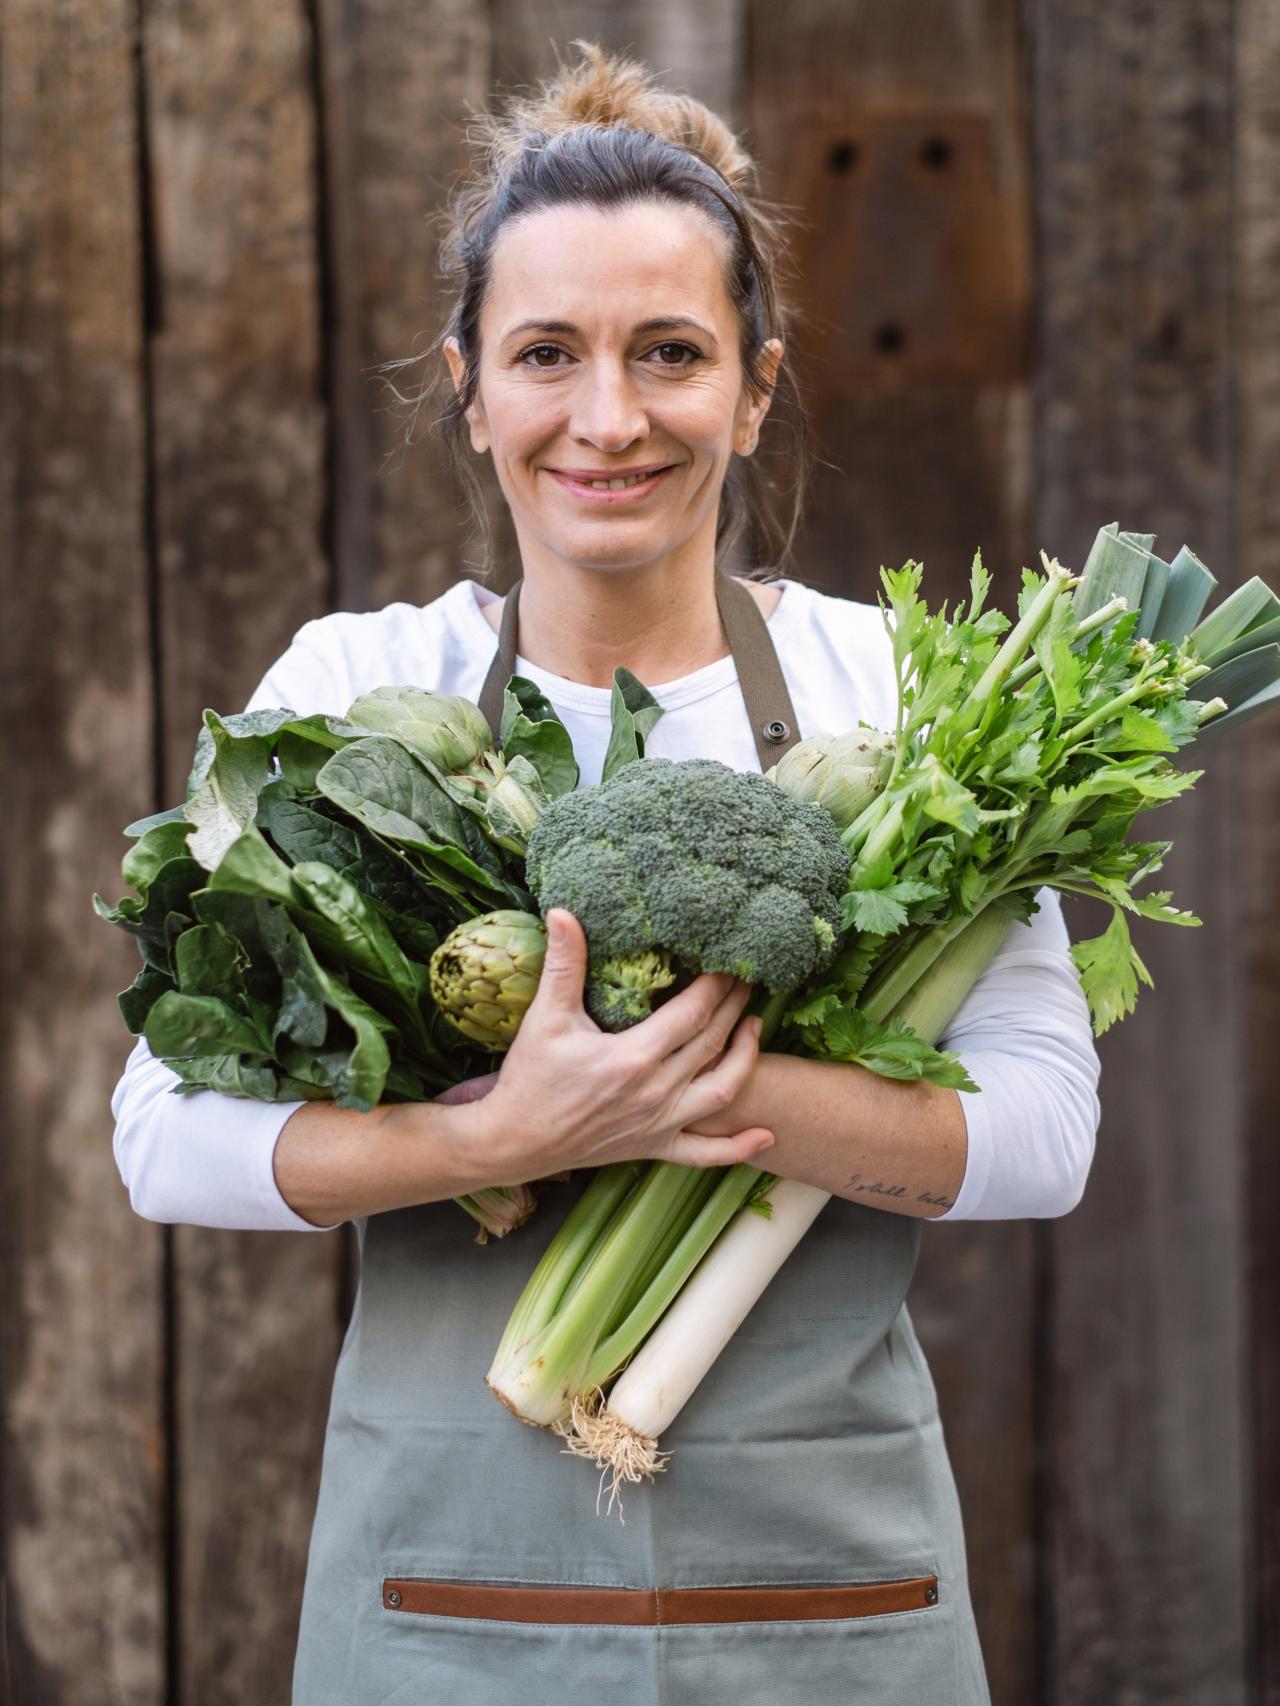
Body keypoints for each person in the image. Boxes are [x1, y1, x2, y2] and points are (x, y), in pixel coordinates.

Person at [109, 39, 1101, 1705]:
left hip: (830, 1600)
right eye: (547, 354)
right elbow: (162, 1136)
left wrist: (701, 1095)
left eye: (671, 354)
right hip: (445, 1603)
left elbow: (1044, 1136)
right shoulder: (359, 687)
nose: (611, 418)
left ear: (758, 384)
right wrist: (502, 1134)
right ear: (470, 385)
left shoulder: (903, 691)